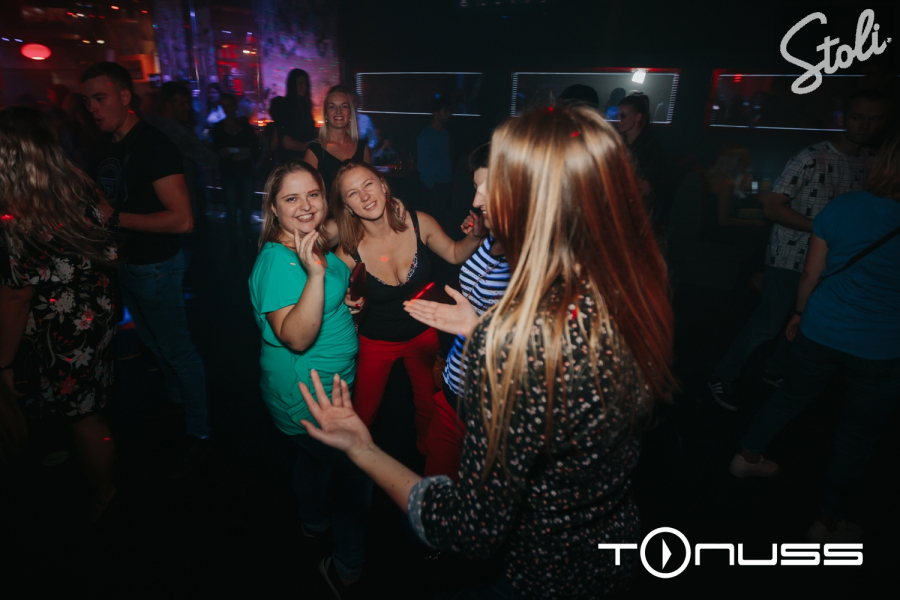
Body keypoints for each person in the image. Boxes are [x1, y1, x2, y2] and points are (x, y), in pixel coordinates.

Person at [302, 105, 675, 598]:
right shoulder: (612, 283)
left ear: (540, 197)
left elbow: (471, 527)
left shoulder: (534, 337)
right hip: (602, 546)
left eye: (490, 185)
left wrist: (362, 449)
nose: (476, 198)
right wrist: (480, 331)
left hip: (543, 573)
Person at [729, 132, 900, 544]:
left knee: (788, 397)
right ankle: (828, 523)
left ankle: (746, 457)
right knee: (857, 434)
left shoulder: (845, 206)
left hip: (821, 326)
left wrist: (800, 314)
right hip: (880, 345)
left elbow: (811, 272)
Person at [708, 89, 890, 410]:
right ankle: (722, 375)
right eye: (858, 117)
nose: (865, 126)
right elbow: (768, 207)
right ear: (844, 119)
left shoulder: (874, 162)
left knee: (804, 321)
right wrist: (821, 228)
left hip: (835, 261)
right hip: (790, 255)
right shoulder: (810, 157)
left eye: (874, 119)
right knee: (768, 324)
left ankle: (774, 369)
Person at [248, 161, 370, 596]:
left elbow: (319, 294)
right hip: (305, 393)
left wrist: (340, 303)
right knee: (357, 476)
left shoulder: (312, 238)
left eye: (313, 194)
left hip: (331, 386)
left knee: (313, 460)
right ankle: (346, 567)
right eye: (291, 198)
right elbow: (297, 337)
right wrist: (318, 277)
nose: (305, 206)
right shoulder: (278, 263)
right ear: (274, 209)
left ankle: (312, 520)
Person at [82, 62, 210, 456]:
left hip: (156, 267)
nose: (92, 108)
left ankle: (200, 431)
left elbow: (182, 219)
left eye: (99, 98)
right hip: (127, 263)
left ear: (124, 97)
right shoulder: (107, 144)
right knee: (154, 343)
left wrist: (115, 218)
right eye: (87, 101)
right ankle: (176, 402)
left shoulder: (153, 144)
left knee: (177, 350)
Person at [0, 106, 118, 520]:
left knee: (84, 419)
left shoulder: (21, 212)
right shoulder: (76, 182)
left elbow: (16, 298)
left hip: (64, 330)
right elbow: (107, 226)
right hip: (97, 311)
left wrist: (4, 361)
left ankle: (106, 497)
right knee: (87, 411)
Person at [330, 160, 484, 457]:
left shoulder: (418, 223)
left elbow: (454, 254)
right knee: (364, 413)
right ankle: (356, 466)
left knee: (428, 407)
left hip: (423, 335)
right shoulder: (347, 252)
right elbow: (326, 300)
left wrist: (475, 235)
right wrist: (345, 303)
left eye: (368, 184)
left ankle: (427, 464)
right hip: (376, 343)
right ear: (347, 207)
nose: (364, 196)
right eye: (352, 193)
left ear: (383, 185)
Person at [403, 142, 511, 479]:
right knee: (434, 482)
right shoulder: (491, 236)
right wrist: (478, 237)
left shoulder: (536, 260)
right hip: (454, 388)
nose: (476, 200)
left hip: (494, 407)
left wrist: (475, 330)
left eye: (486, 188)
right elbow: (472, 294)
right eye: (476, 188)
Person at [147, 82, 220, 220]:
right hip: (179, 198)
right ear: (168, 105)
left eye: (187, 103)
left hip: (155, 198)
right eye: (182, 104)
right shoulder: (176, 131)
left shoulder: (148, 123)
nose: (187, 107)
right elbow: (209, 158)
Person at [304, 85, 371, 195]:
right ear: (326, 114)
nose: (338, 112)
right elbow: (307, 192)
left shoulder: (362, 148)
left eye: (344, 106)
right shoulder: (314, 150)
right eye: (332, 107)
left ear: (350, 113)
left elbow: (370, 188)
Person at [212, 93, 260, 238]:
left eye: (229, 105)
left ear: (234, 106)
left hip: (244, 171)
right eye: (224, 106)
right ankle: (234, 243)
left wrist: (233, 151)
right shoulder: (218, 128)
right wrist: (242, 151)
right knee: (231, 210)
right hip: (229, 172)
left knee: (245, 210)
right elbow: (221, 152)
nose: (227, 108)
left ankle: (244, 242)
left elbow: (253, 150)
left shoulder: (244, 126)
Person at [616, 93, 665, 216]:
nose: (618, 120)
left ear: (638, 117)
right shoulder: (619, 141)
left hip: (638, 207)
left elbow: (646, 187)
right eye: (617, 115)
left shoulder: (650, 146)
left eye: (623, 116)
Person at [416, 96, 453, 221]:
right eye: (445, 111)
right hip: (433, 187)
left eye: (449, 111)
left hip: (445, 184)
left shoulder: (445, 134)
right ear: (436, 113)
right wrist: (431, 187)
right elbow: (423, 164)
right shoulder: (425, 136)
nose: (448, 114)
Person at [280, 69, 317, 159]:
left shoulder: (304, 106)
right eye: (300, 83)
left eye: (306, 84)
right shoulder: (287, 107)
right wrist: (311, 148)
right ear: (293, 85)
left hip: (303, 158)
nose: (304, 87)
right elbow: (287, 143)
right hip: (293, 159)